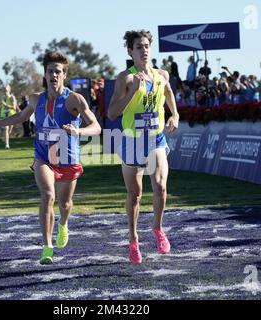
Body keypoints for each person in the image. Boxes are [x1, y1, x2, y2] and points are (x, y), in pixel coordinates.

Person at [0, 51, 101, 265]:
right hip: (43, 156)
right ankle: (47, 247)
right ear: (45, 74)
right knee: (48, 195)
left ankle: (63, 224)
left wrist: (78, 132)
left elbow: (96, 127)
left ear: (64, 74)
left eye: (58, 71)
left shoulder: (75, 99)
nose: (53, 75)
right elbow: (20, 117)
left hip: (67, 157)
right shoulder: (36, 98)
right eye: (50, 71)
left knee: (65, 203)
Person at [108, 30, 179, 264]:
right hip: (132, 140)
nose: (144, 50)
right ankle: (133, 238)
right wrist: (134, 93)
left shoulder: (162, 75)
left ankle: (157, 229)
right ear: (130, 51)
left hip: (156, 138)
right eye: (139, 46)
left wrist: (174, 115)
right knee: (135, 194)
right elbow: (111, 113)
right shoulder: (125, 78)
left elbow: (168, 93)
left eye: (147, 45)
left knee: (160, 186)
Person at [0, 85, 18, 149]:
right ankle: (7, 144)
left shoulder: (12, 97)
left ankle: (5, 137)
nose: (5, 92)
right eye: (4, 90)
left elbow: (14, 107)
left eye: (6, 90)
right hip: (4, 115)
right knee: (6, 129)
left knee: (9, 131)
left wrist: (6, 105)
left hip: (11, 115)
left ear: (9, 90)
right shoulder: (2, 98)